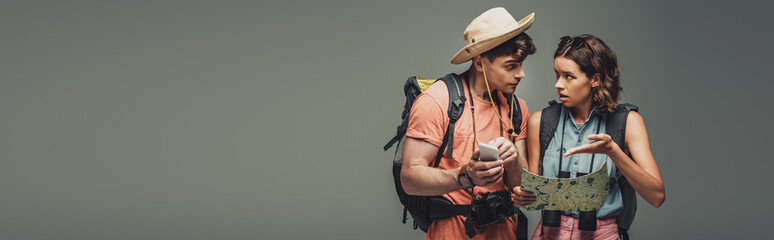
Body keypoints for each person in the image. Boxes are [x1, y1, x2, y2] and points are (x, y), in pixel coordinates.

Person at [511, 34, 666, 240]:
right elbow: (533, 196)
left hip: (601, 234)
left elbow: (656, 197)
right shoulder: (540, 121)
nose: (558, 84)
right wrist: (522, 196)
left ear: (595, 79)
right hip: (549, 232)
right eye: (557, 74)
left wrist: (613, 151)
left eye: (569, 76)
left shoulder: (628, 122)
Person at [401, 7, 536, 239]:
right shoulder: (437, 100)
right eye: (511, 65)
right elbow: (409, 179)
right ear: (480, 63)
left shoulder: (517, 108)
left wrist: (514, 158)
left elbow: (523, 191)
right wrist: (466, 176)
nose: (521, 74)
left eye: (521, 64)